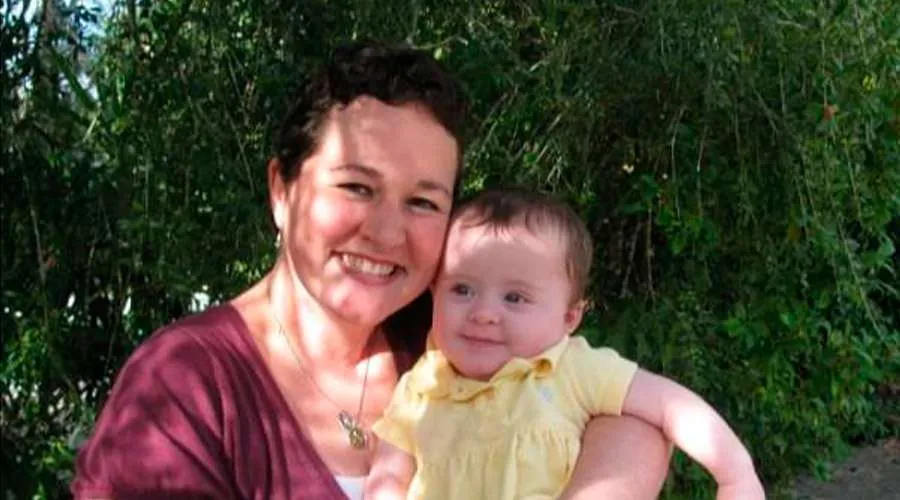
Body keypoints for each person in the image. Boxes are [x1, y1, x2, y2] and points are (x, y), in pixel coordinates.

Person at [71, 42, 671, 499]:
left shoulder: (456, 333)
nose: (386, 233)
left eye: (423, 202)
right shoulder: (186, 386)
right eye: (357, 187)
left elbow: (629, 415)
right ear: (282, 190)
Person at [366, 188, 766, 500]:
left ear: (569, 318)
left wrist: (736, 474)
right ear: (434, 292)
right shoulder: (422, 386)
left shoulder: (572, 370)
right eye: (462, 289)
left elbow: (670, 405)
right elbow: (388, 479)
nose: (483, 313)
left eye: (515, 298)